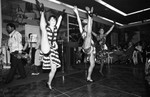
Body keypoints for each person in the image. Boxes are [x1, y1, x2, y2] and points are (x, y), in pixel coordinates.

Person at [35, 0, 64, 89]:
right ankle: (42, 11)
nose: (53, 21)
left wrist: (61, 14)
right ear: (48, 21)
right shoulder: (46, 27)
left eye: (54, 20)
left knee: (54, 69)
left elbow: (59, 21)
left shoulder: (55, 28)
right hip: (45, 46)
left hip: (52, 51)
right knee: (43, 30)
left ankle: (49, 83)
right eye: (51, 19)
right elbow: (43, 26)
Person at [73, 6, 95, 82]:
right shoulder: (83, 32)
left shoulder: (89, 30)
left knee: (92, 64)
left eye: (87, 25)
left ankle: (88, 77)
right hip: (86, 47)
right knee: (89, 34)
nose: (87, 26)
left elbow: (91, 23)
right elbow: (79, 22)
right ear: (84, 27)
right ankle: (89, 14)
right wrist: (76, 12)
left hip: (91, 50)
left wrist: (91, 16)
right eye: (85, 25)